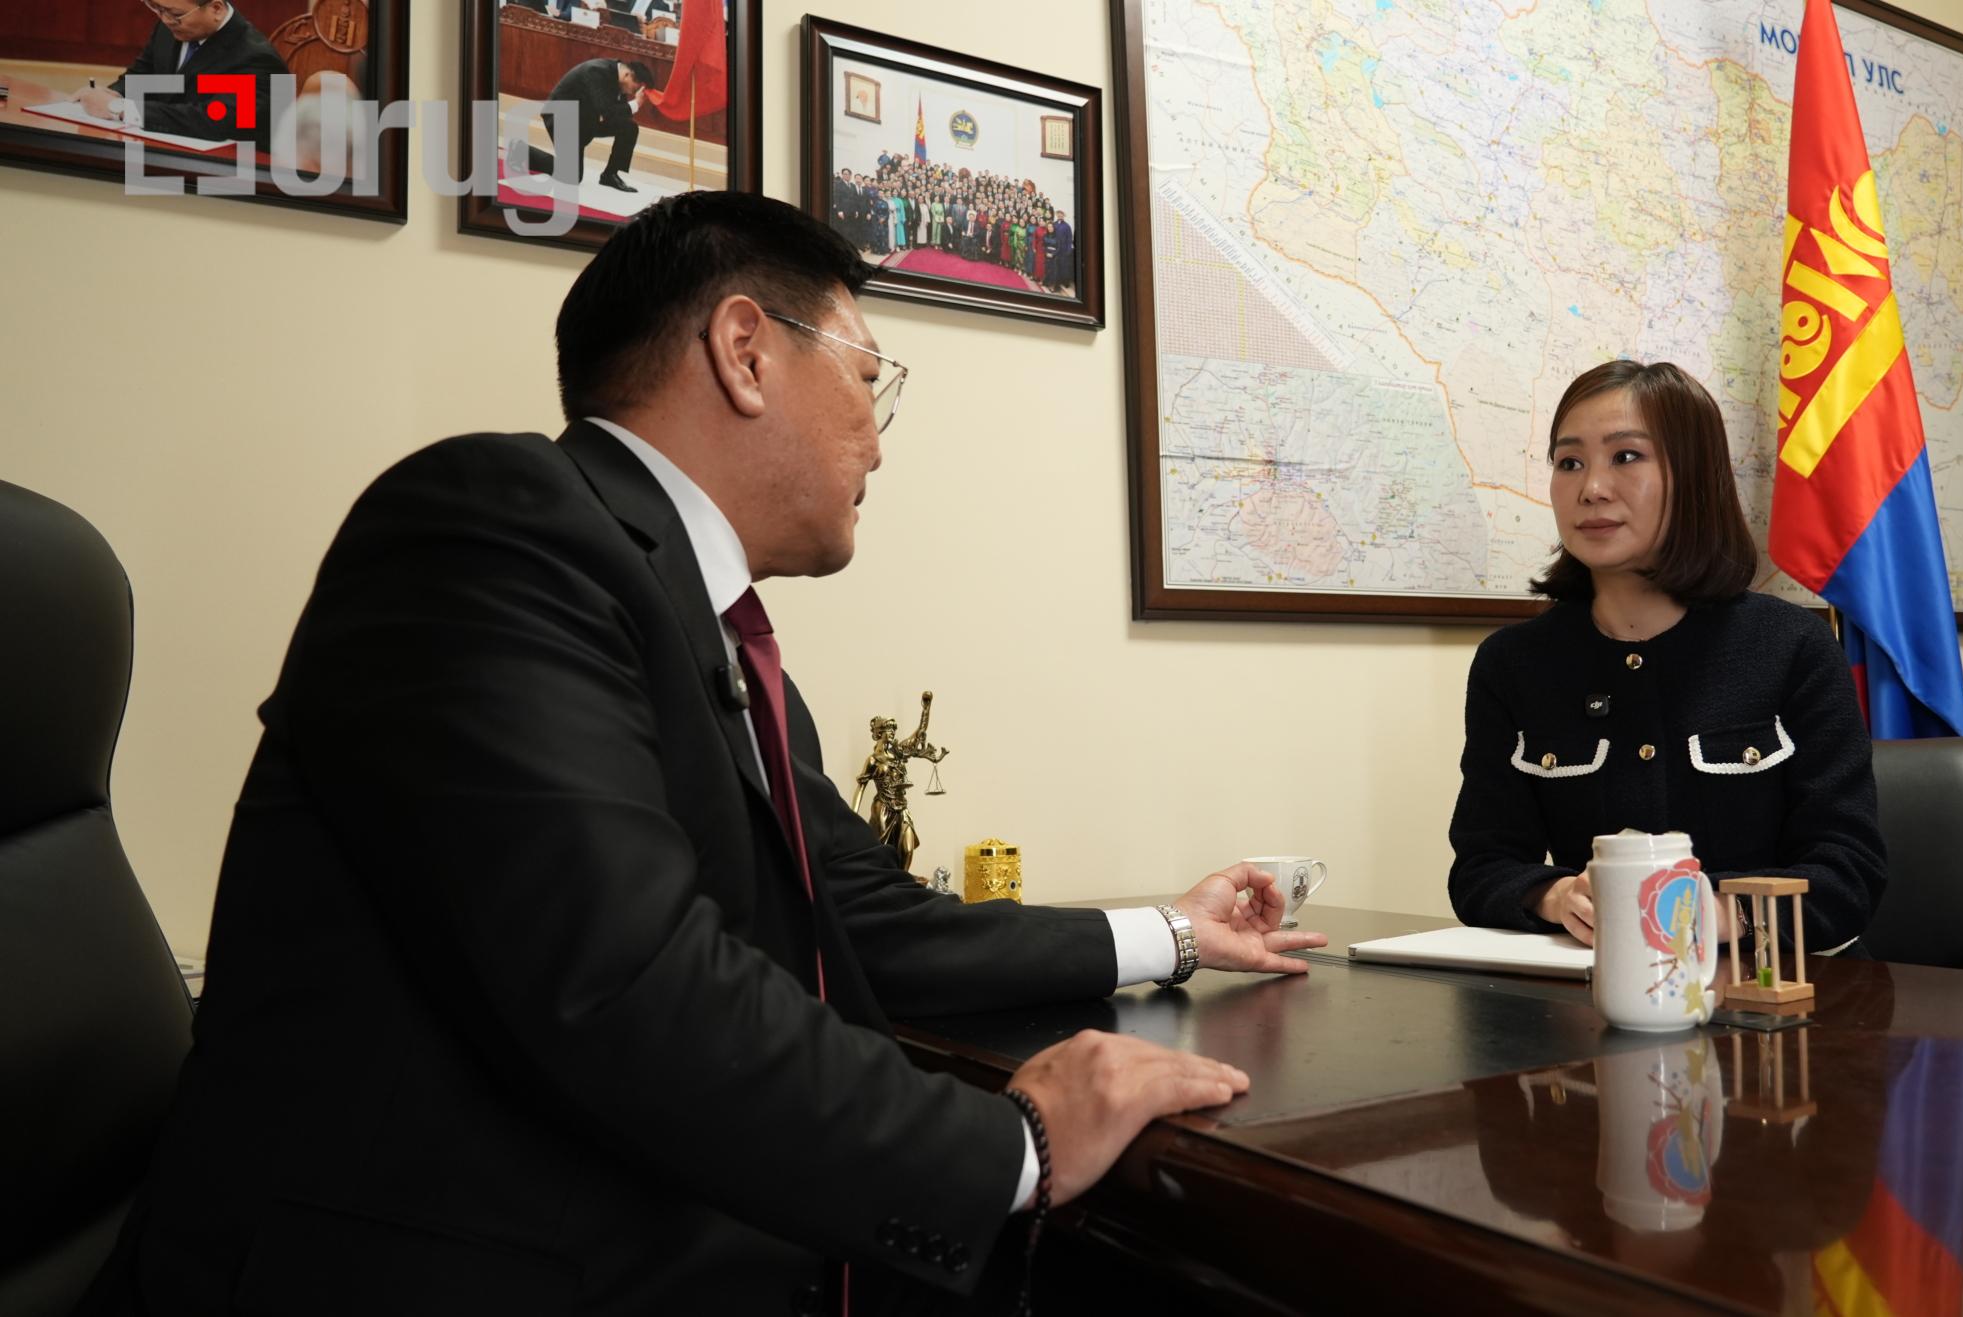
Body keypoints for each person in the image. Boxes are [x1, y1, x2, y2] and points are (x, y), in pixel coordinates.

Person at [80, 192, 1326, 1315]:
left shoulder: (709, 636)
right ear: (745, 351)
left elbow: (871, 923)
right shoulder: (495, 529)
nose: (880, 441)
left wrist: (1173, 932)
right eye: (870, 381)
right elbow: (624, 980)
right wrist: (1014, 1146)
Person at [1446, 360, 1884, 956]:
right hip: (1593, 992)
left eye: (1626, 457)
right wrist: (1555, 895)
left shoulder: (1793, 648)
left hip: (1769, 992)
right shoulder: (1513, 663)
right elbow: (1481, 867)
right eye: (1569, 462)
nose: (1591, 488)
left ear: (1694, 476)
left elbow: (1848, 873)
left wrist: (1708, 915)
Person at [65, 0, 290, 144]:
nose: (165, 19)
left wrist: (121, 109)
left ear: (216, 9)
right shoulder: (170, 27)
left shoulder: (256, 58)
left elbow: (216, 120)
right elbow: (143, 76)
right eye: (156, 7)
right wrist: (110, 95)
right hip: (161, 147)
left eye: (174, 13)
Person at [529, 57, 653, 193]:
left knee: (629, 128)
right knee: (571, 175)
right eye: (633, 90)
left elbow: (618, 113)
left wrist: (630, 107)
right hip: (562, 118)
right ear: (627, 75)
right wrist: (635, 104)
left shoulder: (619, 79)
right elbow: (607, 111)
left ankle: (610, 175)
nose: (631, 94)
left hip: (584, 119)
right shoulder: (596, 71)